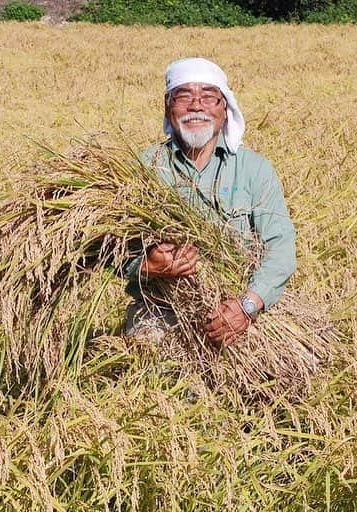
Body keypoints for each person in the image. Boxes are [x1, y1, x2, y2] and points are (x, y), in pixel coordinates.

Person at [124, 57, 296, 346]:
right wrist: (145, 266)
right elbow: (104, 250)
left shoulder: (254, 169)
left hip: (240, 307)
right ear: (168, 106)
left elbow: (280, 246)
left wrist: (248, 305)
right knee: (148, 367)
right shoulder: (141, 169)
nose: (196, 106)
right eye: (184, 96)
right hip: (160, 311)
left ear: (224, 110)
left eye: (208, 97)